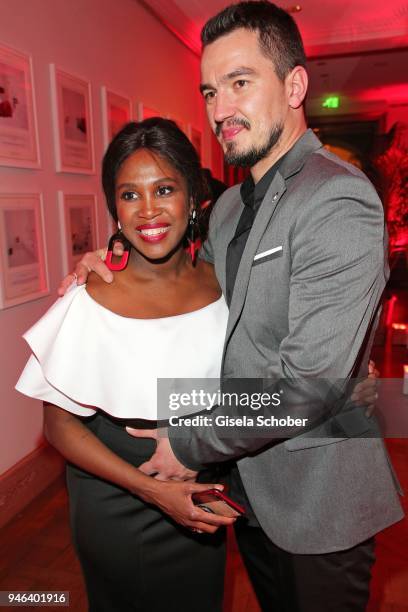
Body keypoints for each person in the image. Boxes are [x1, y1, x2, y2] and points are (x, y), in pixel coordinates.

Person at [58, 4, 402, 611]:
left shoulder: (338, 199)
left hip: (317, 499)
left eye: (241, 83)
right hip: (250, 488)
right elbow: (193, 286)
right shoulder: (232, 208)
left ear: (295, 85)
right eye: (211, 91)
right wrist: (108, 257)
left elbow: (309, 385)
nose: (220, 110)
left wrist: (189, 443)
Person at [16, 118, 238, 612]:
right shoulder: (90, 298)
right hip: (118, 503)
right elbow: (57, 426)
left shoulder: (225, 287)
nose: (149, 211)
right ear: (114, 207)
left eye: (164, 189)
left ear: (193, 196)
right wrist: (152, 493)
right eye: (129, 195)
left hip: (200, 491)